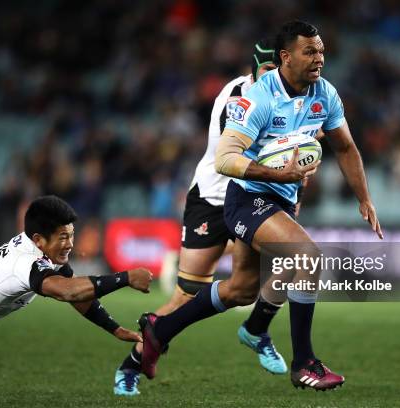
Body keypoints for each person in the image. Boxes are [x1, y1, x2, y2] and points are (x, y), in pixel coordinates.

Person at [138, 20, 383, 391]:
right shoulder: (258, 98)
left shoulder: (326, 94)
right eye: (309, 51)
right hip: (246, 197)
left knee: (240, 290)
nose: (319, 58)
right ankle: (305, 364)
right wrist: (274, 173)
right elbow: (225, 159)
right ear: (285, 57)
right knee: (307, 256)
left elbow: (346, 147)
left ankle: (162, 329)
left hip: (281, 198)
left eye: (321, 51)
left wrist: (364, 198)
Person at [114, 38, 296, 396]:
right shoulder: (238, 99)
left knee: (269, 272)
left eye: (280, 70)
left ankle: (258, 327)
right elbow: (253, 152)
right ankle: (133, 363)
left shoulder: (291, 99)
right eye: (268, 70)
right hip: (213, 199)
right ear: (254, 68)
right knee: (186, 294)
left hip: (250, 198)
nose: (274, 76)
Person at [0, 195, 152, 380]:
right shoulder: (23, 264)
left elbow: (77, 295)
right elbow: (68, 291)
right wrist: (125, 278)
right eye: (63, 237)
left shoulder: (39, 250)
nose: (70, 244)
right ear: (39, 240)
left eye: (71, 235)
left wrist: (115, 329)